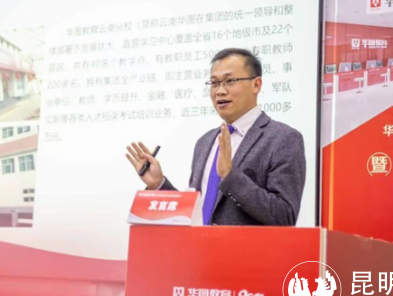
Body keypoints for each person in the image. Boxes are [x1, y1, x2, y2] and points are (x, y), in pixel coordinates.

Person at [125, 48, 306, 226]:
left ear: (256, 85)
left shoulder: (283, 139)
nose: (220, 91)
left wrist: (230, 175)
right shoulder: (205, 142)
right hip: (198, 245)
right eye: (214, 83)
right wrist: (159, 184)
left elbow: (285, 216)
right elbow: (194, 213)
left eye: (230, 81)